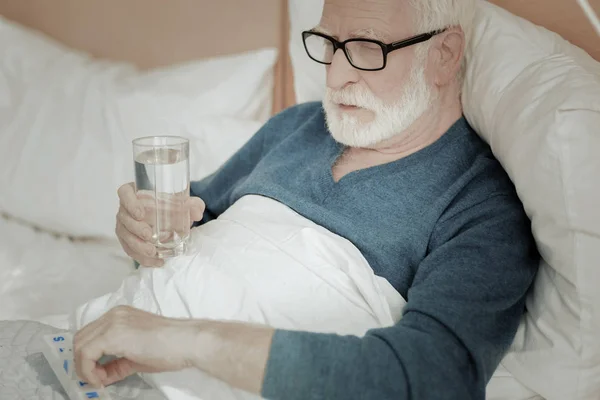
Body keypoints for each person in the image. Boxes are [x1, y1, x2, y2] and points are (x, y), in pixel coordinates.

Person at [73, 0, 539, 398]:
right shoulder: (297, 126)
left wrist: (185, 341)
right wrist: (141, 232)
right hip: (94, 350)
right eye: (329, 44)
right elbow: (189, 221)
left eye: (365, 47)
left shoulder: (480, 206)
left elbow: (434, 377)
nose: (335, 75)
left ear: (443, 55)